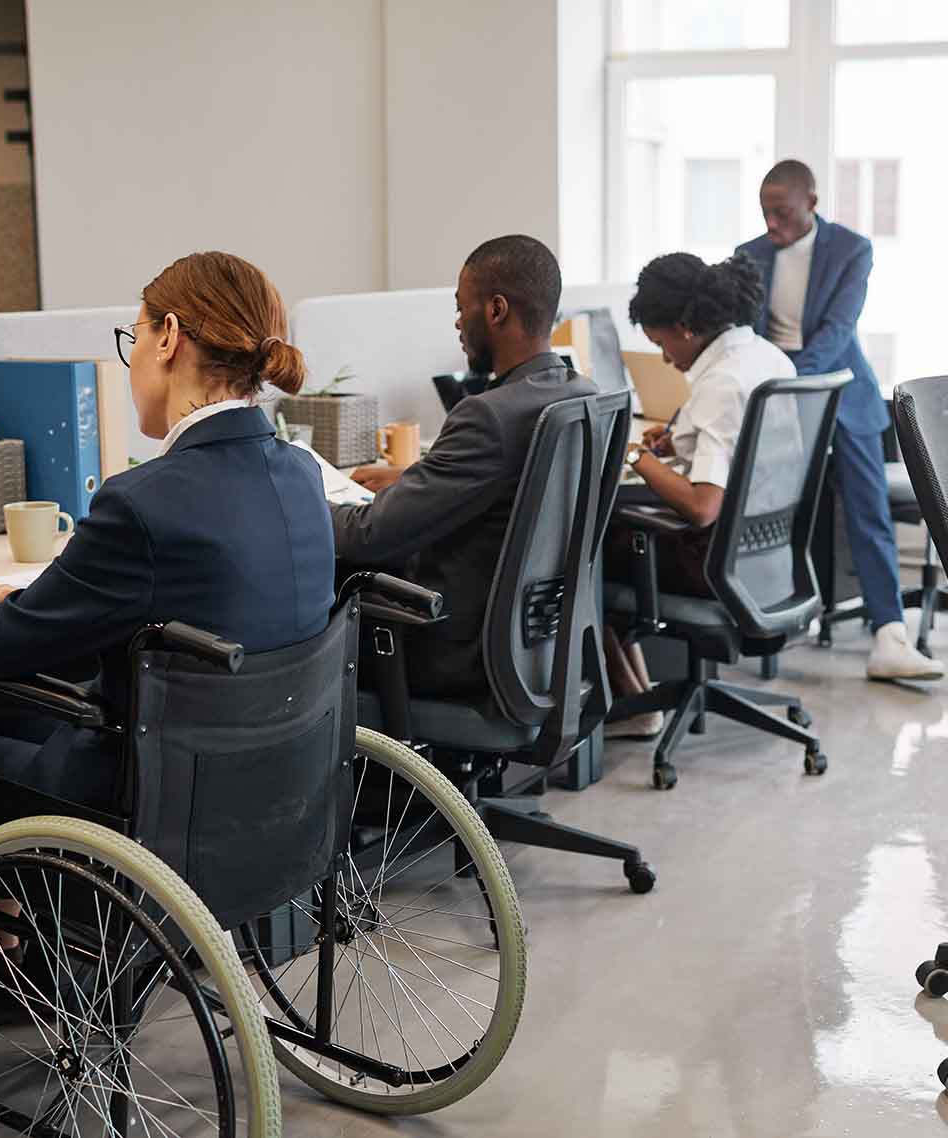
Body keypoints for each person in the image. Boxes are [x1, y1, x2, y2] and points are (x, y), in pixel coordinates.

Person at [0, 250, 337, 805]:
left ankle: (2, 892)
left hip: (146, 796)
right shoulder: (301, 472)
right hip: (265, 783)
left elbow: (1, 646)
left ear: (168, 337)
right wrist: (43, 599)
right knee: (10, 716)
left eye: (134, 339)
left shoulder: (141, 501)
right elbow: (199, 610)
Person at [332, 234, 596, 697]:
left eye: (461, 307)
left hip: (453, 652)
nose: (457, 323)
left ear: (495, 310)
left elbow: (368, 535)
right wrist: (416, 475)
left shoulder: (487, 416)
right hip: (538, 646)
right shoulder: (581, 396)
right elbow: (512, 486)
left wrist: (305, 498)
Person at [737, 159, 941, 681]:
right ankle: (761, 625)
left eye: (781, 212)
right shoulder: (749, 256)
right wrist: (770, 384)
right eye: (764, 212)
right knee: (763, 508)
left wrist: (789, 379)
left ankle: (890, 635)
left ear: (812, 202)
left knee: (866, 507)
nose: (771, 224)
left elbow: (837, 329)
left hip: (840, 390)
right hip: (774, 394)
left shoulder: (851, 249)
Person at [603, 252, 798, 737]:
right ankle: (640, 699)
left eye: (662, 343)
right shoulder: (764, 356)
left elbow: (702, 506)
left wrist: (633, 457)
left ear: (686, 327)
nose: (666, 359)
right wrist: (677, 442)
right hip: (769, 554)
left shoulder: (722, 381)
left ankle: (634, 705)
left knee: (581, 553)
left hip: (717, 566)